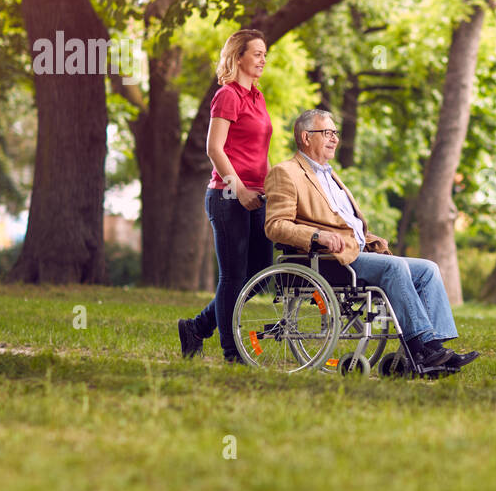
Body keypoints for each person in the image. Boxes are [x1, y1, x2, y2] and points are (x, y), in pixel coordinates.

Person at [263, 108, 479, 372]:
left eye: (336, 133)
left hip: (358, 251)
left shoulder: (329, 175)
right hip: (328, 259)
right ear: (306, 137)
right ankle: (422, 349)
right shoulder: (286, 172)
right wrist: (318, 235)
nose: (334, 139)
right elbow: (276, 226)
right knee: (394, 267)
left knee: (428, 269)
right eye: (327, 133)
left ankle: (437, 348)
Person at [178, 29, 274, 363]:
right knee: (233, 276)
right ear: (238, 57)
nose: (263, 59)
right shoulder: (227, 95)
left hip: (257, 196)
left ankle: (198, 327)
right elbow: (214, 148)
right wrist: (240, 189)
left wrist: (275, 185)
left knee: (261, 272)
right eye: (257, 53)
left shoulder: (257, 97)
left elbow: (260, 151)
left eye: (265, 54)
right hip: (228, 196)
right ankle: (232, 352)